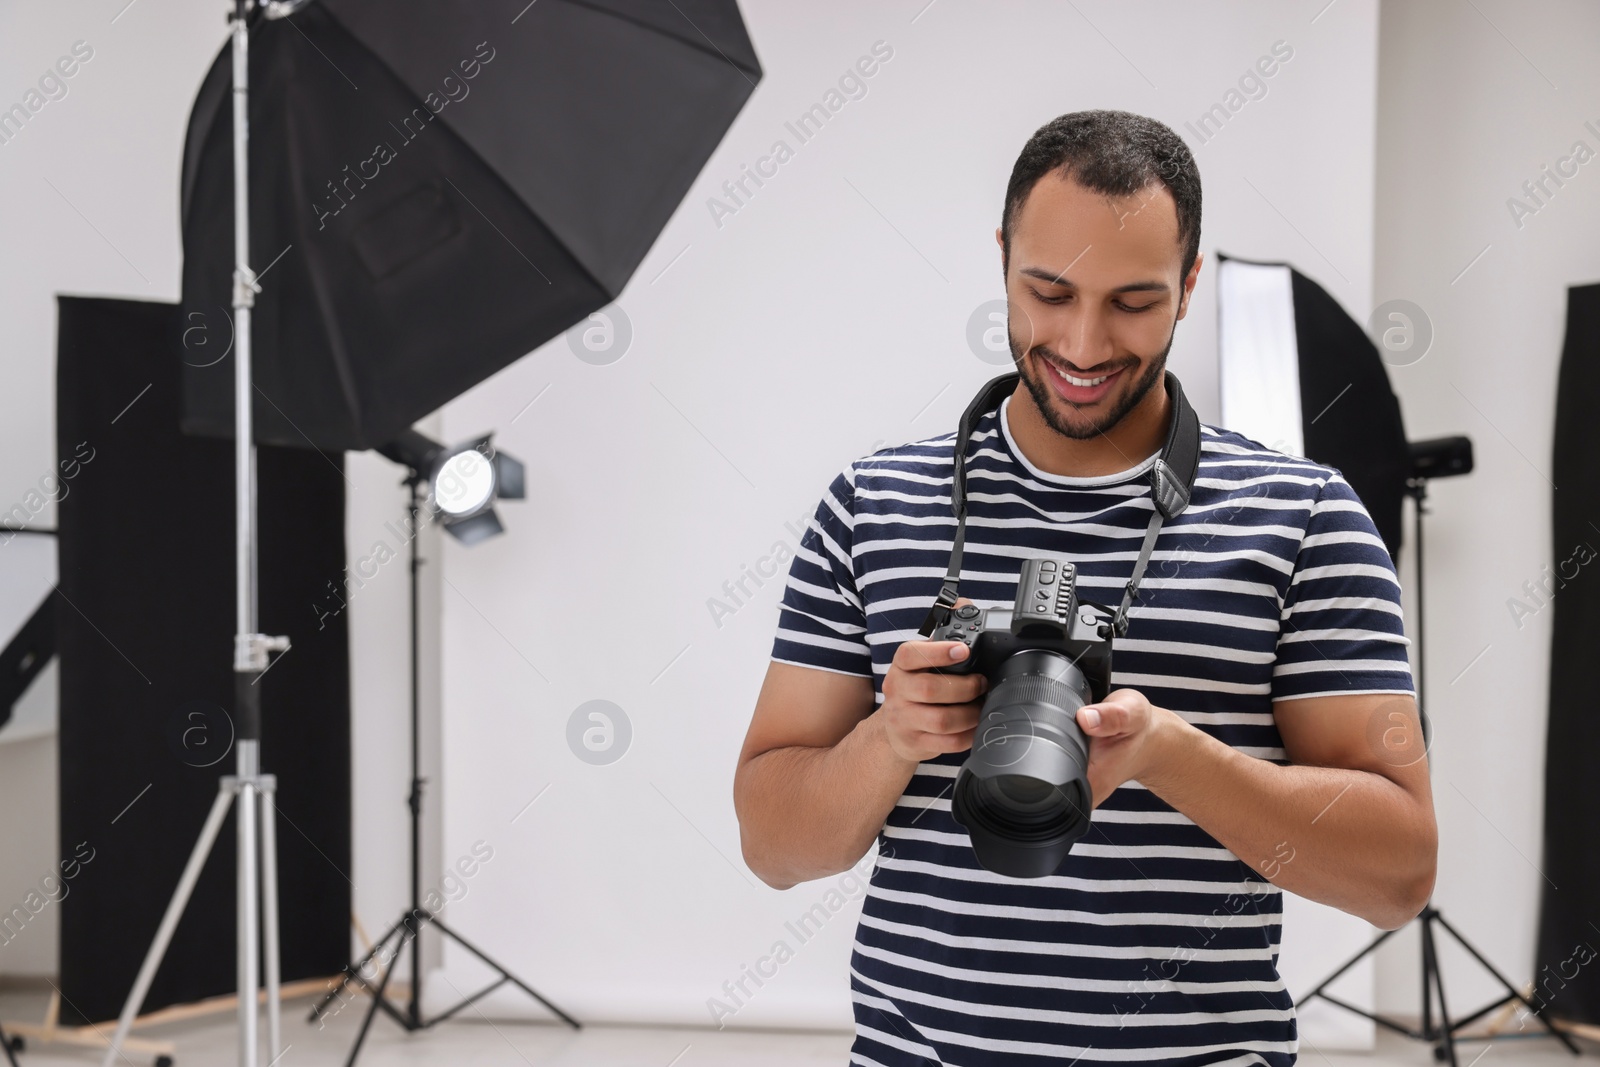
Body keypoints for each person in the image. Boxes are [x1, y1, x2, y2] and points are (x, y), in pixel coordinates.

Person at [732, 109, 1438, 1066]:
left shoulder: (1304, 519)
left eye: (1135, 302)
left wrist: (1168, 753)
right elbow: (774, 848)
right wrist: (890, 737)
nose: (1083, 341)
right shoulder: (872, 507)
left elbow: (1397, 874)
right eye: (1048, 291)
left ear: (1190, 284)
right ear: (1002, 258)